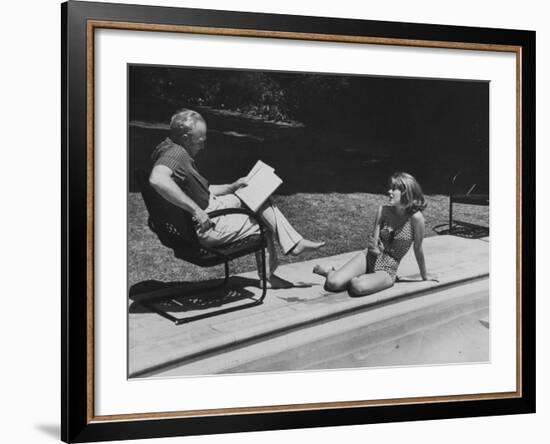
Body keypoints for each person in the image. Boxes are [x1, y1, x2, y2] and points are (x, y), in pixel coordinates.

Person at [149, 109, 325, 287]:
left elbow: (201, 191)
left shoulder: (166, 147)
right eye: (200, 141)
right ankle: (270, 276)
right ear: (186, 137)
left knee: (257, 197)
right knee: (263, 223)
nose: (203, 146)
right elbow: (157, 179)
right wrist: (196, 211)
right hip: (207, 224)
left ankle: (294, 243)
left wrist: (231, 187)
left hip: (204, 211)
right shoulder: (176, 154)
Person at [313, 172, 436, 296]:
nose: (389, 191)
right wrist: (377, 249)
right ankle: (331, 272)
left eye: (394, 189)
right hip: (370, 258)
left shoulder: (416, 218)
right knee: (333, 283)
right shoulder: (383, 211)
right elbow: (374, 245)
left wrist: (424, 275)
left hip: (388, 268)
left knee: (357, 286)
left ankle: (358, 278)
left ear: (405, 192)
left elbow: (418, 248)